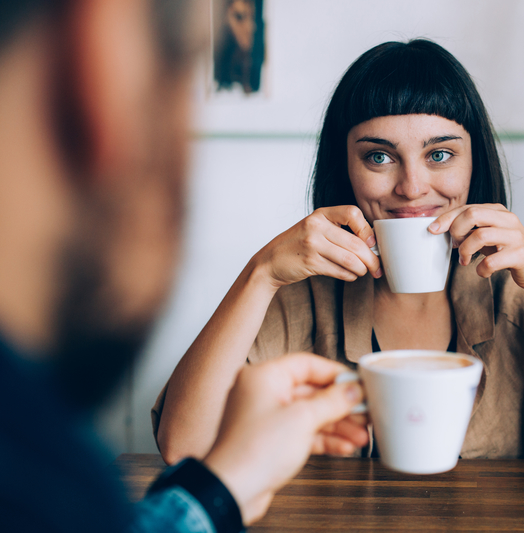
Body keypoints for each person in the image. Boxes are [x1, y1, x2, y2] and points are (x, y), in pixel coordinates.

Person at [155, 39, 524, 474]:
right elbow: (185, 446)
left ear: (474, 163)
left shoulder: (515, 291)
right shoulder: (302, 297)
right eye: (379, 156)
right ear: (346, 168)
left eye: (439, 154)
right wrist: (261, 272)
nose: (412, 187)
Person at [0, 0, 367, 531]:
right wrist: (262, 269)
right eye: (186, 64)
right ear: (104, 60)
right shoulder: (52, 487)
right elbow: (181, 440)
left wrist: (223, 489)